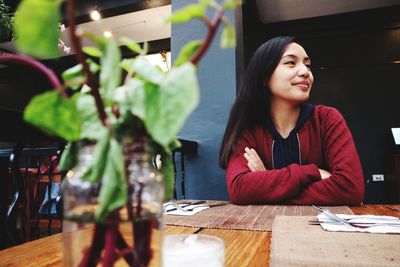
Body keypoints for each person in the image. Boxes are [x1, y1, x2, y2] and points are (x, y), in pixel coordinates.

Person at [219, 36, 364, 205]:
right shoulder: (249, 128)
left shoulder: (327, 119)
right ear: (264, 76)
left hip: (321, 229)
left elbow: (351, 188)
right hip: (263, 230)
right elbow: (240, 188)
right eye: (290, 63)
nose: (305, 72)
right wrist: (313, 172)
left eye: (308, 65)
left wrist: (267, 185)